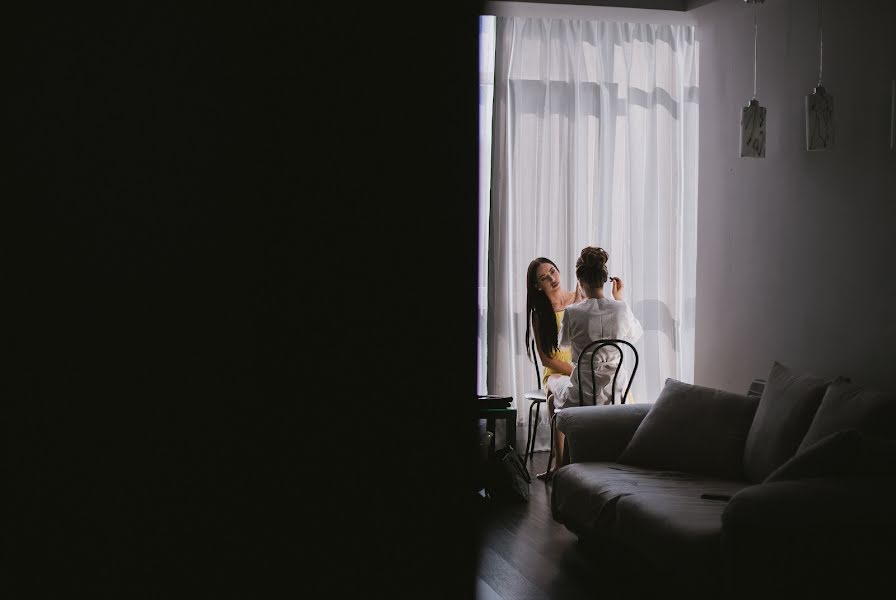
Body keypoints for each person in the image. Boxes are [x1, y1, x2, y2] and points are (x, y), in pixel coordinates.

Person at [542, 246, 643, 479]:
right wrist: (619, 298)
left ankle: (561, 465)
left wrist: (576, 305)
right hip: (615, 394)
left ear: (580, 280)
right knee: (564, 386)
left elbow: (563, 345)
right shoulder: (621, 308)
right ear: (605, 280)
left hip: (583, 396)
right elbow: (635, 334)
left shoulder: (573, 312)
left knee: (550, 391)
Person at [524, 257, 583, 391]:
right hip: (556, 374)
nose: (552, 279)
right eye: (544, 278)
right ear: (538, 286)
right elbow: (546, 360)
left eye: (552, 271)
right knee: (569, 389)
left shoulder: (579, 298)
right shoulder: (540, 314)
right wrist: (575, 372)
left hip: (583, 369)